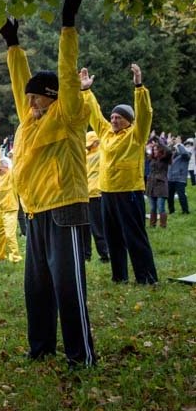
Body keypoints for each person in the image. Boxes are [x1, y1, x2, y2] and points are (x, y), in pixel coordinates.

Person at [0, 0, 96, 367]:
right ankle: (41, 349)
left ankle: (80, 356)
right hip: (34, 212)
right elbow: (21, 84)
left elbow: (67, 77)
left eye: (38, 97)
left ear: (53, 96)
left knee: (68, 287)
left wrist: (67, 24)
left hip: (64, 209)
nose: (31, 102)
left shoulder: (69, 114)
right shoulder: (31, 120)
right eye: (31, 98)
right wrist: (13, 45)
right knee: (36, 288)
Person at [80, 62, 158, 284]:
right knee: (113, 237)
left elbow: (145, 113)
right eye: (113, 117)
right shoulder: (105, 133)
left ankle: (147, 277)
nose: (114, 120)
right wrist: (86, 90)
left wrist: (139, 87)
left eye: (119, 117)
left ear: (129, 121)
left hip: (129, 192)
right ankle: (119, 277)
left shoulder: (136, 134)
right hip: (107, 192)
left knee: (134, 236)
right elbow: (94, 114)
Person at [83, 131, 109, 262]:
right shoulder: (87, 155)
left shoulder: (100, 154)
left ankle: (104, 254)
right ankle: (86, 255)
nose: (88, 146)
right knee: (86, 227)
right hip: (86, 195)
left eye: (90, 144)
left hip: (96, 194)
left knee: (97, 227)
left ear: (96, 142)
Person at [0, 157, 22, 263]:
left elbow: (16, 166)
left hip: (10, 210)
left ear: (7, 167)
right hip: (0, 211)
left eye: (1, 168)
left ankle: (15, 257)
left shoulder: (11, 175)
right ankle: (0, 257)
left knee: (9, 235)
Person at [146, 140, 172, 227]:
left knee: (161, 207)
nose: (155, 151)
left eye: (157, 149)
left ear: (161, 150)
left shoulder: (165, 159)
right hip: (151, 185)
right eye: (154, 150)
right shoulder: (152, 159)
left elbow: (168, 151)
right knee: (152, 207)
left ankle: (163, 225)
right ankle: (152, 225)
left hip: (161, 185)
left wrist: (159, 141)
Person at [167, 136, 190, 214]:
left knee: (181, 195)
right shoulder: (172, 155)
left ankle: (185, 211)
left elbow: (183, 153)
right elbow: (165, 153)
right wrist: (169, 144)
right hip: (170, 178)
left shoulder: (186, 154)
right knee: (169, 196)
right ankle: (171, 211)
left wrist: (179, 144)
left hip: (180, 178)